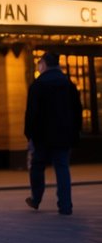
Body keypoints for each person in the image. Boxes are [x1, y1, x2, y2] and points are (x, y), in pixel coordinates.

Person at [24, 52, 84, 215]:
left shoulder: (37, 85)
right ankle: (65, 205)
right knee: (62, 167)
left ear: (44, 64)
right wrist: (76, 131)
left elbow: (31, 113)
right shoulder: (68, 84)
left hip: (42, 135)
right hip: (64, 134)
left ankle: (36, 198)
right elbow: (77, 110)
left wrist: (29, 135)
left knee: (37, 166)